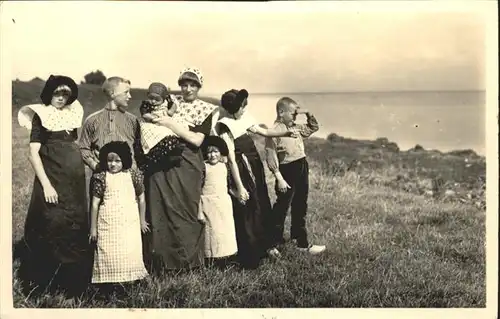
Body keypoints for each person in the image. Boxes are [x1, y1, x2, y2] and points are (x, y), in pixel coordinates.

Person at [17, 74, 92, 299]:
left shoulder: (72, 115)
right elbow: (33, 154)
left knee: (74, 226)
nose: (60, 98)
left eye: (65, 94)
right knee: (52, 225)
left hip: (74, 183)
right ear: (49, 93)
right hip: (52, 181)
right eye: (57, 93)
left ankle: (72, 284)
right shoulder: (42, 116)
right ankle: (42, 284)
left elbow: (73, 145)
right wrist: (47, 185)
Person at [142, 67, 219, 271]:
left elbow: (196, 140)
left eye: (192, 84)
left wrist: (171, 124)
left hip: (188, 162)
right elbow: (148, 117)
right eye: (184, 84)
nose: (187, 89)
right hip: (163, 159)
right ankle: (163, 263)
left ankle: (189, 263)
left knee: (187, 210)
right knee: (161, 209)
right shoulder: (171, 103)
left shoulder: (206, 109)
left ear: (199, 86)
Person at [215, 88, 298, 269]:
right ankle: (251, 252)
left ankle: (266, 244)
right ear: (234, 108)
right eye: (242, 107)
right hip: (241, 169)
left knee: (262, 201)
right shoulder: (224, 125)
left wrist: (284, 134)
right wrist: (238, 186)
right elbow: (230, 159)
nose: (245, 109)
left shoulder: (244, 118)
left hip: (254, 164)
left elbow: (265, 133)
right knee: (248, 207)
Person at [265, 97, 326, 255]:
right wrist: (279, 178)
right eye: (293, 114)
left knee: (301, 205)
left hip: (301, 166)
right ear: (281, 112)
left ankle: (300, 242)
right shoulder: (274, 131)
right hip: (287, 171)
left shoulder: (295, 127)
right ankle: (271, 244)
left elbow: (314, 127)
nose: (295, 117)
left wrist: (308, 113)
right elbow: (271, 157)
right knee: (281, 208)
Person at [89, 141, 149, 290]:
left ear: (125, 160)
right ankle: (109, 285)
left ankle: (131, 281)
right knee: (108, 251)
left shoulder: (133, 175)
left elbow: (141, 198)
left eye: (117, 161)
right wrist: (93, 229)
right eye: (109, 161)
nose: (113, 165)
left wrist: (142, 220)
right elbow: (95, 204)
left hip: (129, 222)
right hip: (108, 222)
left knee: (130, 250)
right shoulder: (101, 177)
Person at [79, 76, 142, 212]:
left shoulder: (133, 121)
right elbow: (83, 148)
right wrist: (95, 166)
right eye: (126, 92)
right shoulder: (92, 120)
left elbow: (138, 150)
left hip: (127, 181)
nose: (130, 96)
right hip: (102, 181)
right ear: (113, 93)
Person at [198, 136, 238, 270]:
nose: (212, 155)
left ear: (220, 153)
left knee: (224, 233)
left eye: (215, 151)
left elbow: (229, 186)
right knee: (212, 234)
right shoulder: (204, 167)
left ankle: (225, 260)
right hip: (208, 203)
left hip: (223, 203)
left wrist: (238, 195)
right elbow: (198, 189)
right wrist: (200, 211)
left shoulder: (224, 166)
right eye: (209, 152)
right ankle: (211, 262)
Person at [138, 82, 190, 172]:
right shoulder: (146, 104)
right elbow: (145, 114)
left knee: (170, 134)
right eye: (151, 98)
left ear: (163, 98)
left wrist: (171, 111)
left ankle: (173, 153)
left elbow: (174, 105)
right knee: (148, 136)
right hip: (153, 123)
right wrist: (153, 117)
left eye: (157, 99)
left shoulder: (168, 101)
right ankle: (153, 156)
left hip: (166, 121)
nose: (153, 101)